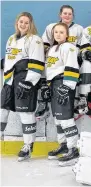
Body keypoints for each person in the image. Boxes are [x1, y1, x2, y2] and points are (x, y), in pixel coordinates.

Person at [0, 12, 44, 161]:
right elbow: (11, 59)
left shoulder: (35, 40)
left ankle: (28, 145)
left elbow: (37, 62)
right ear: (17, 23)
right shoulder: (11, 39)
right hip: (9, 80)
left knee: (26, 113)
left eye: (26, 22)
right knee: (2, 109)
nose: (23, 24)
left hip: (24, 80)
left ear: (30, 24)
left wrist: (29, 82)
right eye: (21, 22)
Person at [36, 5, 83, 120]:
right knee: (43, 64)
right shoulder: (52, 27)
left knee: (76, 72)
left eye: (69, 14)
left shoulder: (78, 29)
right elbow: (45, 43)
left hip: (72, 59)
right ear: (60, 14)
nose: (67, 16)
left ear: (73, 16)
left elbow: (84, 46)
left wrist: (83, 55)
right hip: (56, 58)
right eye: (65, 13)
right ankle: (43, 101)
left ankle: (80, 100)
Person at [44, 22, 80, 166]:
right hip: (54, 85)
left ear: (67, 35)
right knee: (58, 120)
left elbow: (72, 67)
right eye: (56, 32)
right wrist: (46, 86)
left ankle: (73, 149)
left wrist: (67, 87)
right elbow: (50, 69)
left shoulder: (69, 47)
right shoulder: (52, 49)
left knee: (66, 119)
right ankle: (63, 145)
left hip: (63, 84)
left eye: (61, 32)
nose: (58, 34)